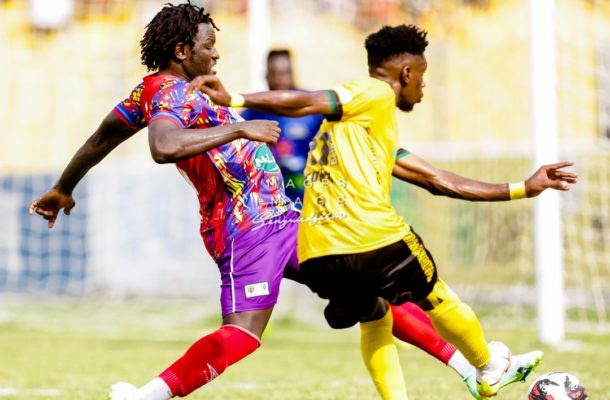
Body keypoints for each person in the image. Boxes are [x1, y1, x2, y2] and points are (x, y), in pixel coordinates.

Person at [26, 4, 495, 399]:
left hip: (286, 218)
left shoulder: (160, 91)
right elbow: (163, 147)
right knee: (245, 335)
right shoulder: (166, 93)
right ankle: (149, 394)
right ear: (182, 51)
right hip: (243, 228)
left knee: (371, 293)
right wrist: (240, 126)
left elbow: (99, 139)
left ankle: (476, 372)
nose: (216, 52)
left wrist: (65, 186)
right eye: (209, 44)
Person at [191, 23, 577, 398]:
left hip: (318, 250)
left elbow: (438, 180)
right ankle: (489, 366)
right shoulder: (372, 92)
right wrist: (236, 99)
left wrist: (522, 188)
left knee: (375, 315)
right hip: (373, 238)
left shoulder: (362, 131)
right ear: (407, 73)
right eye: (422, 77)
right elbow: (309, 99)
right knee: (438, 296)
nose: (423, 86)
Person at [242, 49, 324, 206]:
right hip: (272, 202)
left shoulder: (313, 106)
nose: (282, 78)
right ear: (267, 76)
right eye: (276, 73)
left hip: (311, 198)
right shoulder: (253, 112)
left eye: (286, 72)